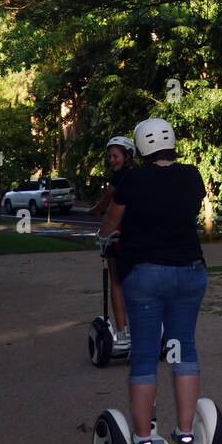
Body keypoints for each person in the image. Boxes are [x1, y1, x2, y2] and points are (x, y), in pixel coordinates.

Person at [98, 118, 207, 444]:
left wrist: (106, 237)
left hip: (145, 275)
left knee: (145, 354)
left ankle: (144, 442)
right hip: (189, 272)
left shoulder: (133, 178)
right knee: (182, 349)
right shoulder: (192, 175)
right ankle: (186, 436)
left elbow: (111, 222)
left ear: (141, 147)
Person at [88, 136, 135, 350]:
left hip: (118, 235)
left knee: (116, 282)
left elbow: (106, 201)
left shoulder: (119, 179)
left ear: (127, 156)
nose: (111, 160)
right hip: (138, 237)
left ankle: (121, 333)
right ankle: (141, 330)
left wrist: (94, 210)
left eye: (115, 156)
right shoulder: (139, 175)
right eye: (110, 156)